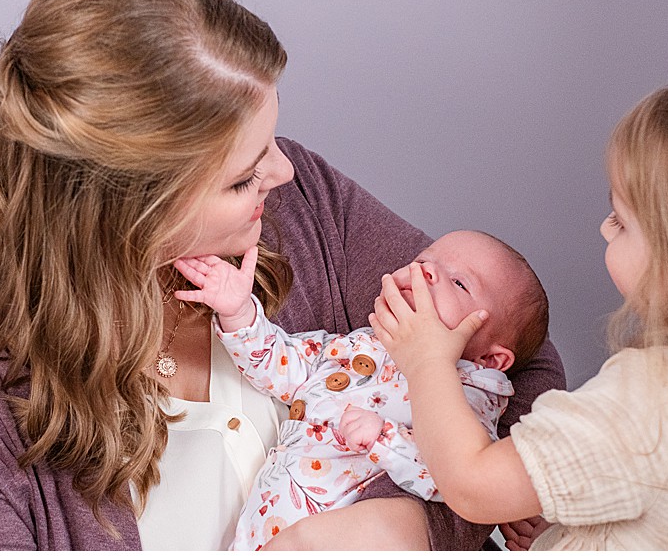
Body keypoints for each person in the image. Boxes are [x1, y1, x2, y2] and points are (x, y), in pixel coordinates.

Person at [0, 0, 565, 551]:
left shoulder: (299, 207)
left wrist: (407, 521)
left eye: (272, 139)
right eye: (241, 178)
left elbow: (514, 350)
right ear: (124, 213)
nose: (284, 171)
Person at [363, 75, 668, 549]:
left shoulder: (651, 400)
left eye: (621, 221)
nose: (604, 229)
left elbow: (473, 487)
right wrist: (566, 519)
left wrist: (426, 362)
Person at [173, 230, 549, 549]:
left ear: (491, 360)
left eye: (459, 282)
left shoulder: (469, 392)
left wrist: (384, 438)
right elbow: (281, 363)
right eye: (423, 260)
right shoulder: (357, 346)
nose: (426, 273)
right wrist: (239, 312)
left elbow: (458, 481)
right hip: (260, 531)